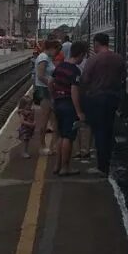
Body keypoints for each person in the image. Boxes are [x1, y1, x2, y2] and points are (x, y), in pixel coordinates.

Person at [81, 32, 126, 176]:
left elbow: (85, 80)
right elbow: (123, 77)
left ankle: (102, 167)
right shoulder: (119, 59)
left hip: (97, 99)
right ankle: (108, 161)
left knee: (99, 131)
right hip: (113, 98)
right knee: (108, 130)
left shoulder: (93, 60)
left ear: (96, 43)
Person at [51, 40, 89, 176]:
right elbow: (74, 92)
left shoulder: (60, 66)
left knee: (61, 136)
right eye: (83, 56)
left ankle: (57, 166)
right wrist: (79, 112)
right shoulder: (75, 70)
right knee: (68, 137)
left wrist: (54, 97)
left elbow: (51, 82)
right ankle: (65, 168)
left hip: (58, 104)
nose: (83, 59)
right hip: (68, 106)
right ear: (80, 55)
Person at [32, 40, 60, 155]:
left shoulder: (46, 57)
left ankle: (53, 146)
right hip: (44, 91)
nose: (57, 53)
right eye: (57, 50)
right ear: (52, 48)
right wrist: (52, 83)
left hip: (47, 90)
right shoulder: (43, 57)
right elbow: (40, 75)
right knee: (45, 119)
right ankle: (42, 146)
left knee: (54, 120)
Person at [16, 93, 37, 158]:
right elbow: (22, 121)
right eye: (28, 105)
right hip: (25, 129)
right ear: (23, 105)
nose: (30, 106)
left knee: (27, 140)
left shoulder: (30, 111)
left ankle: (25, 151)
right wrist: (31, 124)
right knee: (25, 141)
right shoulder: (22, 112)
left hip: (29, 129)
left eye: (30, 104)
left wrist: (34, 122)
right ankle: (24, 152)